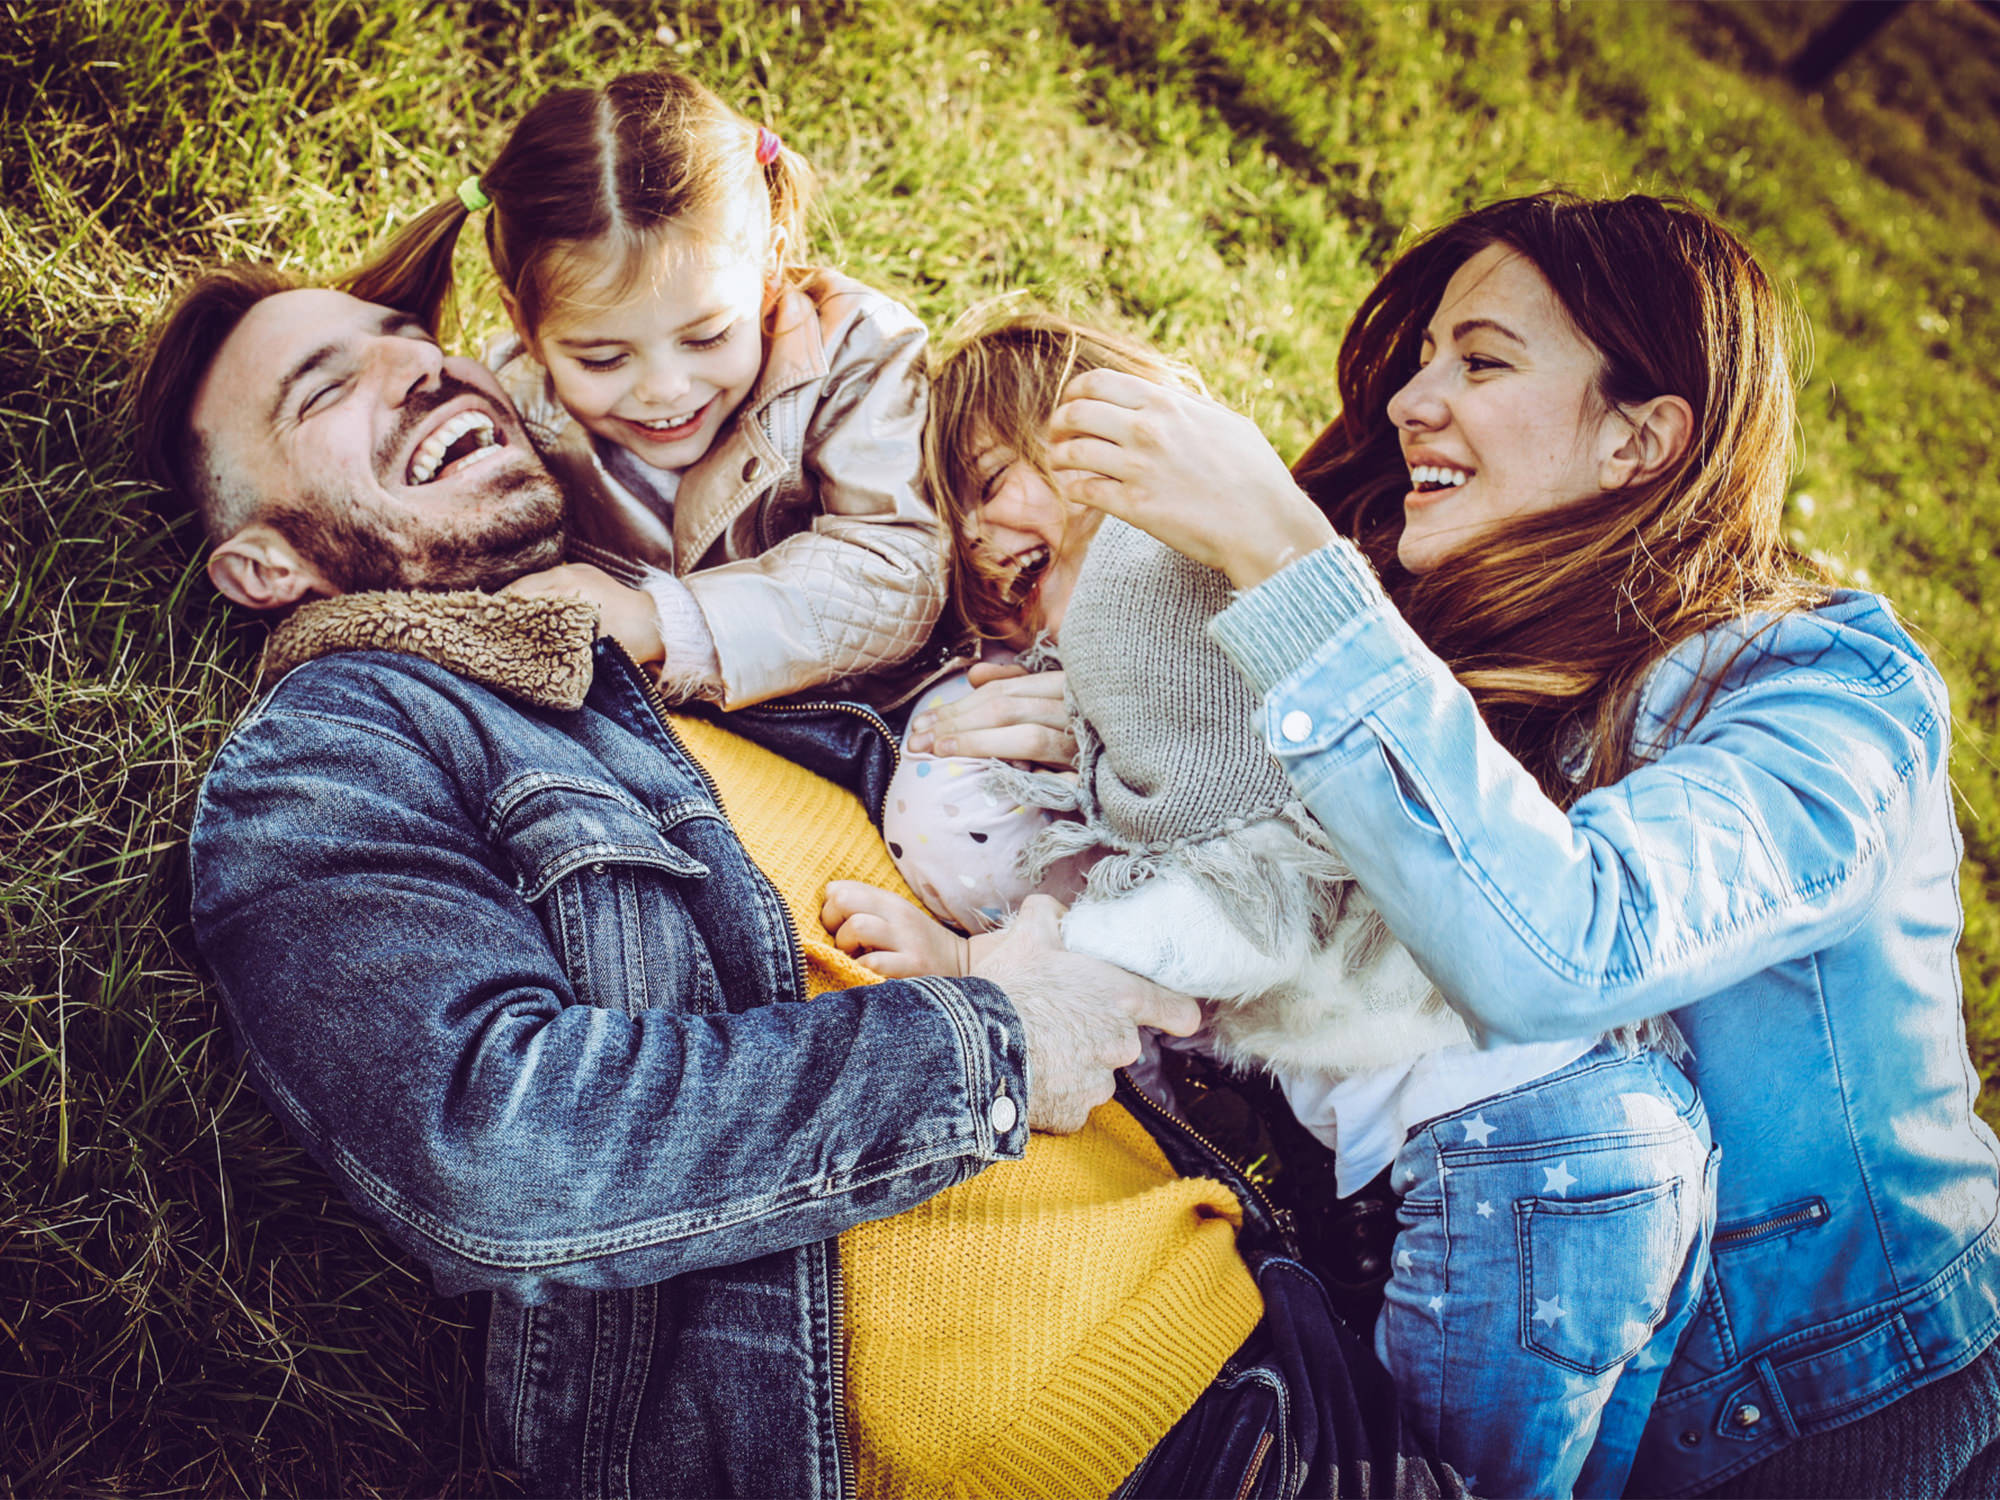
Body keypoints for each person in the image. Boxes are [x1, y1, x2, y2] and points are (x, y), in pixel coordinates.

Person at [131, 264, 1468, 1499]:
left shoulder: (717, 662)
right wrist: (1000, 1038)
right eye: (330, 390)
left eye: (417, 345)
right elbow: (492, 1147)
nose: (418, 374)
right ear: (268, 564)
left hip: (1304, 1351)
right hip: (1104, 1459)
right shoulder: (339, 751)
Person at [1043, 190, 2000, 1497]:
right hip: (1548, 1341)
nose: (1410, 401)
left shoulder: (1826, 695)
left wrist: (1284, 555)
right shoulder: (1467, 647)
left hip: (1844, 1422)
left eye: (1481, 361)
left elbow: (1571, 944)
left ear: (1641, 438)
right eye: (1424, 356)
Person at [826, 312, 1715, 1500]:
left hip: (1514, 1149)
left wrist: (993, 965)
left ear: (1097, 428)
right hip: (1628, 1117)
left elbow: (1245, 878)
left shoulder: (1137, 587)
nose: (983, 536)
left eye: (992, 482)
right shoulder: (1202, 592)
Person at [339, 68, 943, 710]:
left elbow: (900, 570)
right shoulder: (515, 400)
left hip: (880, 714)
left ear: (769, 273)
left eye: (708, 337)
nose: (665, 389)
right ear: (527, 329)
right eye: (602, 359)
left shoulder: (852, 349)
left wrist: (661, 620)